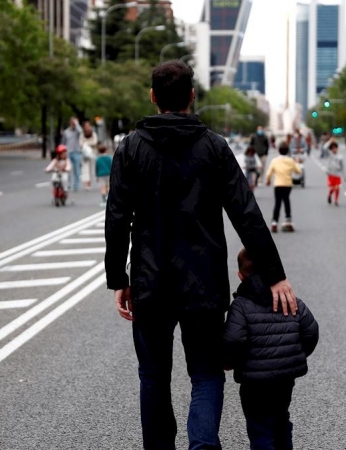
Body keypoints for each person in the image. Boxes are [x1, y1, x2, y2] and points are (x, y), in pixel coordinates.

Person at [105, 61, 296, 450]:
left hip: (149, 281)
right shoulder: (214, 147)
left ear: (153, 96)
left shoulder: (130, 149)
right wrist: (274, 274)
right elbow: (246, 212)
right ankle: (203, 446)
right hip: (203, 283)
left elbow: (117, 218)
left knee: (153, 377)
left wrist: (118, 279)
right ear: (193, 96)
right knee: (207, 375)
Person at [223, 248, 319, 450]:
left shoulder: (240, 305)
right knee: (281, 418)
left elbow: (233, 340)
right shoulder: (290, 299)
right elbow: (311, 331)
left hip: (254, 382)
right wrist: (294, 354)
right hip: (285, 378)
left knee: (260, 427)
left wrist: (231, 362)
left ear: (240, 276)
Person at [265, 142, 302, 232]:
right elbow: (298, 171)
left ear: (279, 150)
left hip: (278, 184)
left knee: (277, 203)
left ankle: (274, 222)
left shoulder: (274, 160)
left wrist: (268, 180)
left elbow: (268, 173)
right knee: (286, 201)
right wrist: (297, 163)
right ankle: (288, 219)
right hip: (287, 184)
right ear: (287, 151)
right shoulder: (290, 160)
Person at [61, 117, 84, 191]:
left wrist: (77, 123)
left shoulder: (77, 131)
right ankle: (68, 185)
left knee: (77, 170)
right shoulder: (66, 132)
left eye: (74, 122)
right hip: (68, 152)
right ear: (70, 123)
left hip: (76, 152)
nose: (73, 123)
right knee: (68, 170)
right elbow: (63, 142)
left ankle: (76, 186)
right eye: (72, 122)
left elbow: (81, 131)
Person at [80, 121, 99, 191]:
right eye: (86, 126)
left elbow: (95, 142)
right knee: (85, 169)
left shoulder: (93, 134)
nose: (87, 127)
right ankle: (86, 183)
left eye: (88, 126)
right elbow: (81, 143)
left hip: (93, 154)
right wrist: (87, 144)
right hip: (84, 155)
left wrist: (86, 143)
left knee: (92, 168)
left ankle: (90, 182)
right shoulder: (82, 135)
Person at [325, 141, 345, 206]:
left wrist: (344, 175)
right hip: (331, 173)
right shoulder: (329, 154)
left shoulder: (340, 156)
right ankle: (330, 195)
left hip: (337, 174)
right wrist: (330, 141)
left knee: (337, 187)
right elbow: (324, 148)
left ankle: (336, 200)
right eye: (332, 148)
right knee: (332, 188)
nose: (334, 149)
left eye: (335, 148)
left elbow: (342, 166)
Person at [95, 143, 112, 207]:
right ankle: (108, 198)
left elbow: (96, 168)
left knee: (102, 187)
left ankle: (103, 200)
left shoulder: (98, 159)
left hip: (100, 175)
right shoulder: (109, 158)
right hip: (109, 173)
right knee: (108, 186)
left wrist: (96, 176)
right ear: (106, 150)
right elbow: (112, 165)